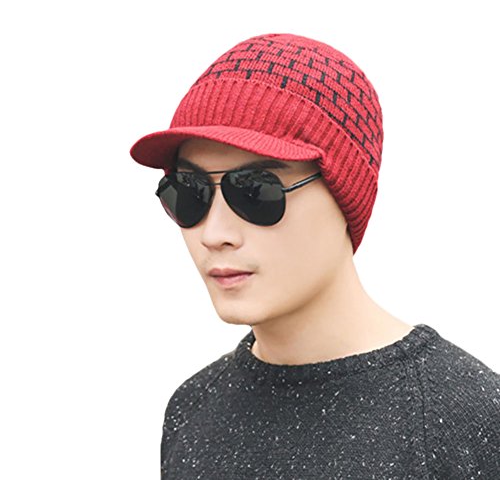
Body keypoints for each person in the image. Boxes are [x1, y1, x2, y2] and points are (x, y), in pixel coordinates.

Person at [130, 33, 500, 479]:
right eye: (188, 193)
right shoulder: (192, 409)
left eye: (256, 191)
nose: (214, 233)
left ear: (346, 196)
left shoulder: (464, 419)